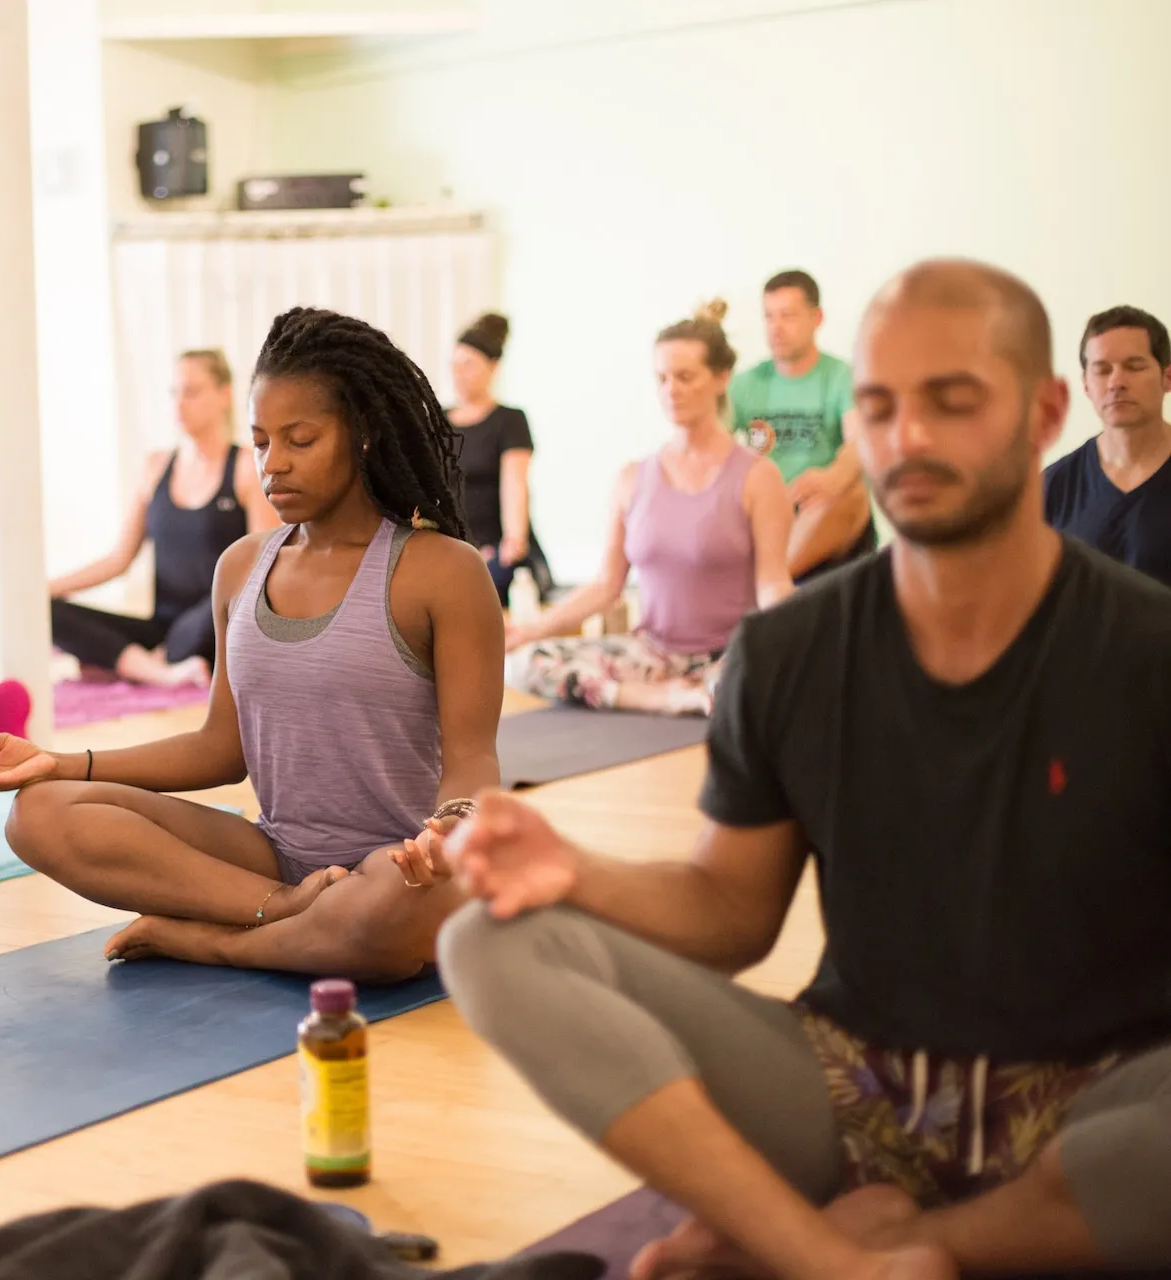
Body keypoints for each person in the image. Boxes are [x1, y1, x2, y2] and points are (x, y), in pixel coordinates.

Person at [438, 260, 1171, 1279]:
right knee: (491, 943)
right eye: (878, 406)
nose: (907, 438)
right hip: (851, 1085)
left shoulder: (1147, 647)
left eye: (952, 401)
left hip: (1099, 1099)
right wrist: (576, 870)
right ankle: (832, 1257)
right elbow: (731, 912)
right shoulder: (790, 651)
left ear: (1048, 410)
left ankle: (894, 1242)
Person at [0, 307, 504, 982]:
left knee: (389, 908)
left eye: (300, 439)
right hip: (273, 856)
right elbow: (220, 747)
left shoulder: (443, 569)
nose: (275, 465)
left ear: (361, 434)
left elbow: (472, 761)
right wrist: (57, 763)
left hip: (399, 866)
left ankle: (212, 940)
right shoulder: (242, 566)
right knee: (36, 816)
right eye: (263, 442)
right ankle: (282, 911)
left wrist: (448, 829)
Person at [503, 302, 793, 716]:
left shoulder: (758, 476)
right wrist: (530, 630)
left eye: (686, 376)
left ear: (721, 378)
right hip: (653, 657)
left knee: (761, 679)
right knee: (523, 663)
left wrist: (796, 638)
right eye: (662, 378)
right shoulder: (632, 478)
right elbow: (607, 584)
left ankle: (701, 693)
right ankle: (669, 699)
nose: (671, 389)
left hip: (730, 656)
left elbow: (773, 585)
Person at [49, 349, 276, 687]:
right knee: (46, 612)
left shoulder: (246, 468)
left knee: (209, 618)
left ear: (224, 396)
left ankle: (133, 663)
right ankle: (159, 668)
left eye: (192, 392)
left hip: (214, 620)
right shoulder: (154, 468)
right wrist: (46, 589)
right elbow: (118, 558)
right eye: (174, 392)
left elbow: (263, 567)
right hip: (161, 627)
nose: (179, 403)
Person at [731, 270, 878, 580]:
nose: (776, 328)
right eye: (769, 317)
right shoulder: (745, 384)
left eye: (788, 316)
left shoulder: (841, 377)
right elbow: (711, 447)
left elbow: (859, 442)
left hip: (818, 510)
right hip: (767, 510)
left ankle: (771, 583)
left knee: (854, 496)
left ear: (817, 318)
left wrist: (834, 477)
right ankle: (769, 586)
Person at [1043, 305, 1171, 586]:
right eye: (1102, 370)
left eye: (1134, 367)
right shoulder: (1052, 487)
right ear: (1086, 385)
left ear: (1167, 378)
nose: (1116, 382)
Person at [447, 313, 554, 605]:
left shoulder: (509, 420)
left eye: (468, 364)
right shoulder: (438, 421)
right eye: (454, 364)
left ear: (493, 367)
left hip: (498, 547)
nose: (459, 373)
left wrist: (513, 539)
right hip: (452, 547)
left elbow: (515, 482)